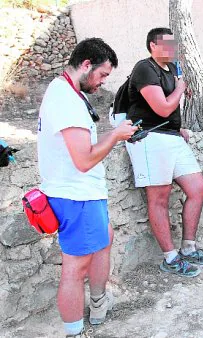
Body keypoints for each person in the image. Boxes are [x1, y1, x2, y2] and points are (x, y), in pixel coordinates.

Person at [37, 38, 137, 337]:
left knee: (104, 238)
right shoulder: (66, 99)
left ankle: (97, 302)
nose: (103, 82)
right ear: (85, 65)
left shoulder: (65, 91)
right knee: (75, 268)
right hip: (76, 195)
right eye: (103, 75)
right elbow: (83, 159)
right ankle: (74, 331)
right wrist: (117, 135)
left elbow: (80, 143)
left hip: (82, 194)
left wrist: (113, 133)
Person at [125, 27, 203, 277]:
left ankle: (188, 247)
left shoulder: (170, 71)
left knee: (198, 188)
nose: (173, 49)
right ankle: (170, 257)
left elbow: (170, 111)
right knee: (159, 199)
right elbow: (163, 108)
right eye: (167, 44)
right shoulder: (145, 68)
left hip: (171, 136)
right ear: (153, 45)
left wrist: (179, 126)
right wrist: (180, 87)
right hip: (149, 138)